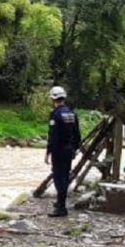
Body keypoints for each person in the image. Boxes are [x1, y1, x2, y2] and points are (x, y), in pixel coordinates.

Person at [44, 85, 81, 217]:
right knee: (65, 176)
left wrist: (48, 152)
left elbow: (53, 135)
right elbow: (77, 134)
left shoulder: (55, 114)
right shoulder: (71, 113)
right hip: (69, 150)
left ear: (53, 99)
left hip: (58, 151)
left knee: (59, 178)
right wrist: (75, 148)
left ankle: (61, 207)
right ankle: (61, 203)